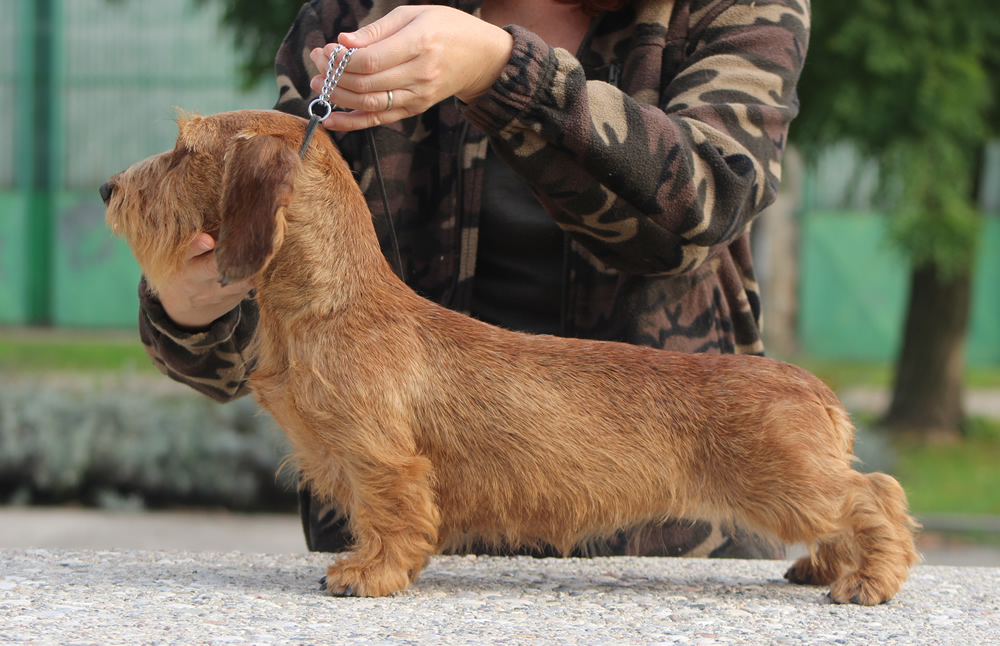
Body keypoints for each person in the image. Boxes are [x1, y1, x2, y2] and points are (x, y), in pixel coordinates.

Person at [138, 0, 810, 559]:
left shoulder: (730, 10)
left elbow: (702, 209)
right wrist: (193, 312)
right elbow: (277, 304)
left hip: (672, 535)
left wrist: (502, 69)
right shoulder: (353, 16)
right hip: (405, 545)